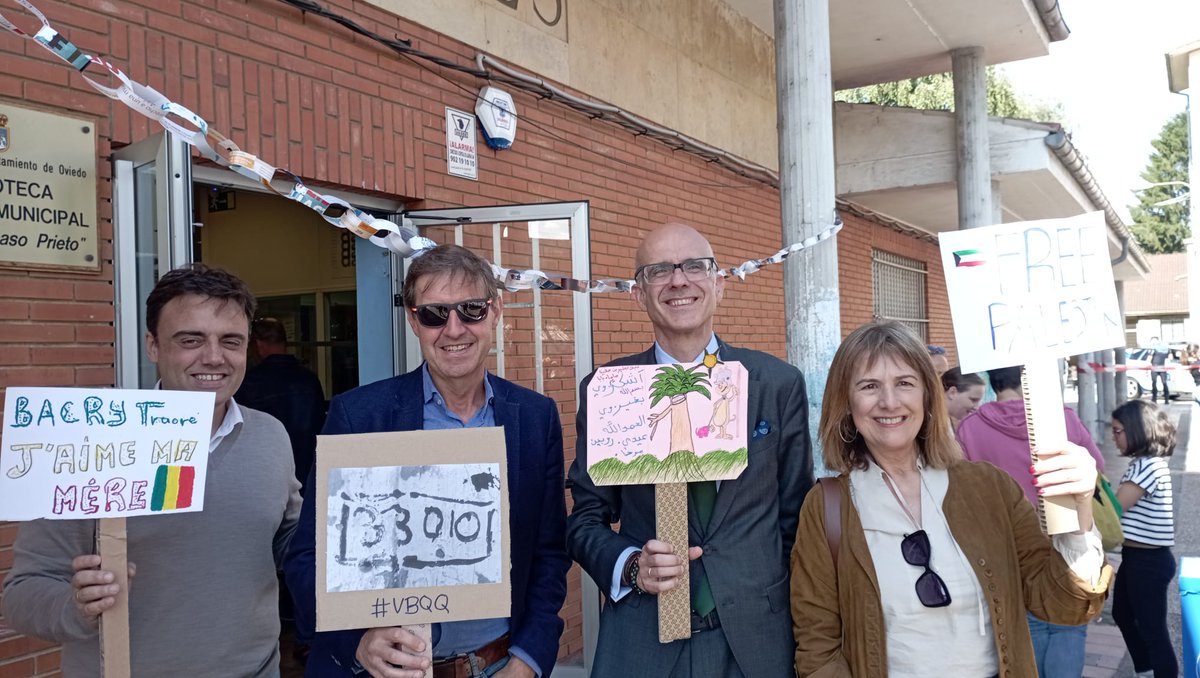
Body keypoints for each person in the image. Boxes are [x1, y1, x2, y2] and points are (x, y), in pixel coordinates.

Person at [2, 264, 303, 677]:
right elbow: (22, 595)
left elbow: (294, 544)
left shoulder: (270, 436)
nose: (213, 357)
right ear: (152, 346)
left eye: (230, 341)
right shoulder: (90, 444)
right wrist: (76, 607)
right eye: (191, 340)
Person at [284, 244, 569, 678]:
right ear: (413, 320)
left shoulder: (535, 417)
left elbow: (549, 553)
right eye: (435, 314)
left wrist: (528, 661)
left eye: (470, 310)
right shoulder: (359, 416)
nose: (454, 329)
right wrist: (357, 643)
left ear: (495, 312)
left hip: (497, 667)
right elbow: (308, 557)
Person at [790, 321, 1111, 678]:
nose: (889, 401)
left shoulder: (990, 489)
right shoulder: (826, 507)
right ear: (846, 404)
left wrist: (1079, 511)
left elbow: (1065, 604)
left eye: (904, 383)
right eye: (869, 386)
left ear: (928, 395)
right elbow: (817, 645)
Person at [567, 222, 814, 678]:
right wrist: (630, 566)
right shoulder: (609, 390)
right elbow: (585, 520)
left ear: (719, 284)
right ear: (639, 294)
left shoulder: (776, 384)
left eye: (694, 267)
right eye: (659, 270)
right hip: (645, 638)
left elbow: (796, 518)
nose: (679, 280)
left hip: (757, 639)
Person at [954, 364, 1107, 678]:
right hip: (1065, 541)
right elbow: (1097, 469)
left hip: (1004, 549)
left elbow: (959, 493)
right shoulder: (1062, 419)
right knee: (1068, 621)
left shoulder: (970, 428)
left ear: (991, 382)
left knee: (1024, 627)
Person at [1110, 400, 1178, 678]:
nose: (1113, 437)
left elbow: (1116, 508)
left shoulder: (1149, 467)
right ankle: (1146, 670)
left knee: (1153, 630)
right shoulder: (1142, 464)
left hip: (1149, 561)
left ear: (1137, 430)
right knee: (1123, 615)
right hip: (1137, 557)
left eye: (1118, 431)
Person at [236, 317, 327, 495]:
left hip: (265, 475)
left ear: (258, 345)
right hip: (308, 471)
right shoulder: (309, 379)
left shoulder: (249, 382)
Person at [941, 367, 984, 431]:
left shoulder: (944, 420)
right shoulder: (929, 421)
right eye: (973, 400)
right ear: (952, 392)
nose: (977, 407)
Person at [1149, 337, 1172, 403]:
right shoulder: (1166, 348)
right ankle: (1166, 400)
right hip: (1162, 367)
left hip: (1154, 367)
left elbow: (1149, 358)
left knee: (1154, 383)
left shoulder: (1153, 348)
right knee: (1164, 383)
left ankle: (1154, 399)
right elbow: (1170, 357)